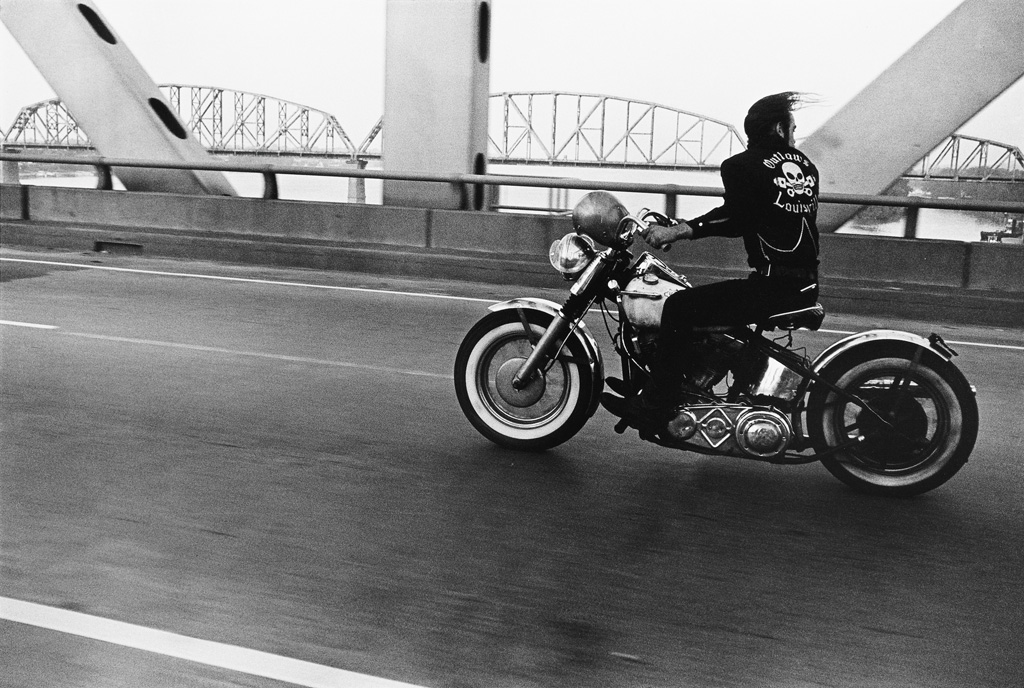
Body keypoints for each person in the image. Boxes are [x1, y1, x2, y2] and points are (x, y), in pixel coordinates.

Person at [602, 91, 821, 421]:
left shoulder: (743, 166)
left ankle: (657, 405)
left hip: (772, 287)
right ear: (778, 129)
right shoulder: (806, 168)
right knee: (702, 309)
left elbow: (736, 218)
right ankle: (660, 384)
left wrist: (678, 230)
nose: (794, 135)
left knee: (677, 306)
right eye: (792, 128)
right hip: (801, 284)